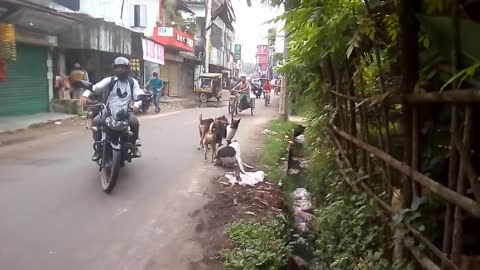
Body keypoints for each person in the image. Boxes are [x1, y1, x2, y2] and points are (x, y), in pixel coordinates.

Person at [80, 57, 143, 161]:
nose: (120, 70)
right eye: (118, 67)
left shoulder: (133, 82)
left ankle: (133, 144)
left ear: (128, 69)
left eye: (123, 67)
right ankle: (98, 148)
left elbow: (138, 94)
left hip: (126, 112)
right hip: (109, 111)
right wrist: (85, 95)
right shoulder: (109, 81)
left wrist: (137, 104)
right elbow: (95, 88)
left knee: (134, 122)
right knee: (96, 121)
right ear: (114, 69)